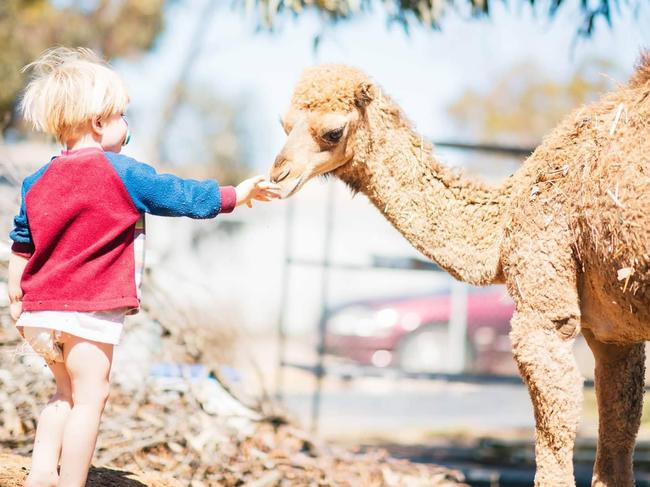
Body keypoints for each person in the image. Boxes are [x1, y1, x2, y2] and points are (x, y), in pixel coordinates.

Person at [7, 47, 281, 487]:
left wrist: (15, 292)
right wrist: (236, 195)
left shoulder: (36, 180)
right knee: (90, 399)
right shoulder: (122, 173)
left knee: (63, 393)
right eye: (122, 116)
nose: (127, 126)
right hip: (87, 309)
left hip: (39, 312)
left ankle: (42, 474)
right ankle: (72, 481)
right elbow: (180, 196)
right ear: (99, 122)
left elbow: (21, 241)